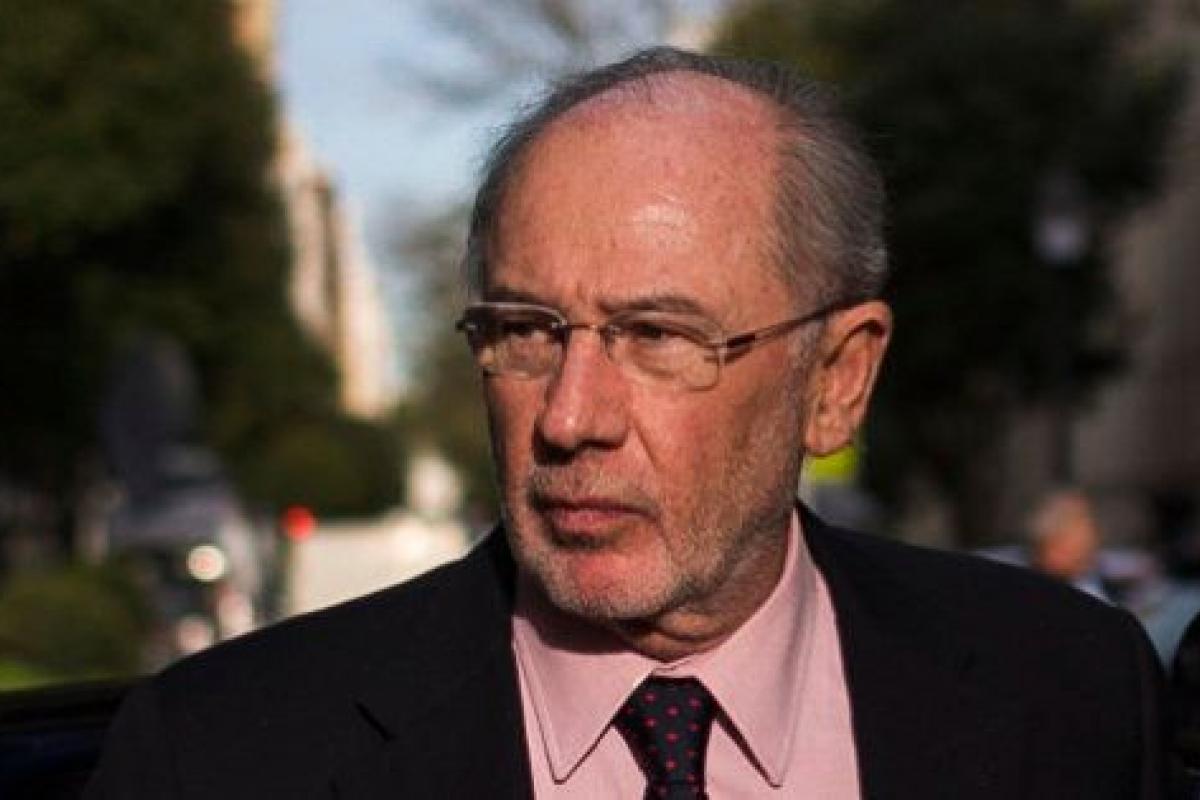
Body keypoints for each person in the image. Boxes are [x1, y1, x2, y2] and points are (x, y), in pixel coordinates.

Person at [86, 47, 1167, 799]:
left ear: (837, 378)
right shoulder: (220, 756)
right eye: (524, 331)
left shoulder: (1068, 690)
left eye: (657, 335)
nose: (569, 418)